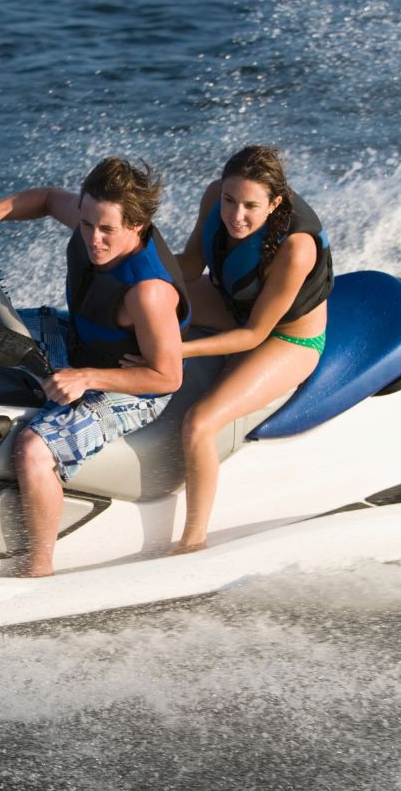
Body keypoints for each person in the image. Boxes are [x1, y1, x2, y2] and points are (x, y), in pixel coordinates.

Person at [0, 157, 188, 577]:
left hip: (130, 385)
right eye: (87, 224)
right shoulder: (90, 215)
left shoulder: (149, 293)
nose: (94, 239)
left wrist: (87, 377)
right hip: (81, 341)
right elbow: (41, 198)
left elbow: (167, 376)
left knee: (33, 451)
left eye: (107, 230)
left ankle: (38, 567)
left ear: (136, 225)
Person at [164, 145, 332, 554]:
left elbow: (256, 334)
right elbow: (188, 267)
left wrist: (177, 351)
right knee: (142, 311)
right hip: (232, 304)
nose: (235, 216)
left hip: (286, 338)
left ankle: (193, 541)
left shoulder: (296, 249)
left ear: (275, 203)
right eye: (229, 200)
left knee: (199, 422)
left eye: (250, 206)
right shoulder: (213, 197)